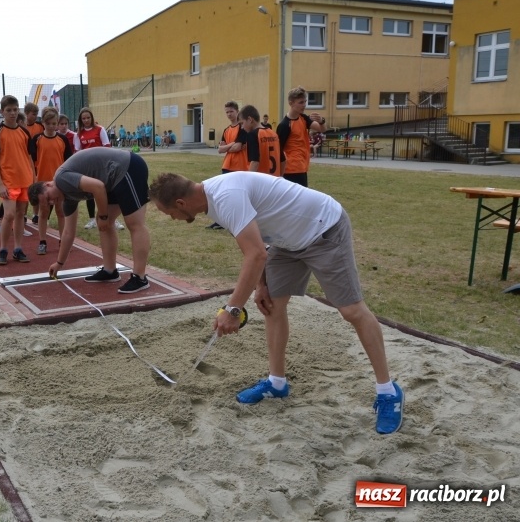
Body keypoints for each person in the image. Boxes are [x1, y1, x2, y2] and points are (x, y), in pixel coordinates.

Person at [148, 171, 404, 435]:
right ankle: (277, 383)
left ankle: (388, 392)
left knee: (351, 310)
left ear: (181, 203)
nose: (173, 219)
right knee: (271, 304)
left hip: (324, 230)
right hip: (286, 242)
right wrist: (261, 285)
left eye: (169, 213)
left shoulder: (226, 197)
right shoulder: (214, 201)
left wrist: (232, 310)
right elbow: (255, 244)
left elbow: (256, 255)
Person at [28, 147, 151, 294]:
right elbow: (68, 233)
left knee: (134, 223)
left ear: (48, 184)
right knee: (103, 224)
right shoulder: (67, 199)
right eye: (49, 203)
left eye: (49, 197)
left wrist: (104, 216)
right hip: (112, 180)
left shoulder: (62, 179)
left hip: (128, 167)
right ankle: (110, 271)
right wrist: (59, 263)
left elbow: (98, 187)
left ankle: (140, 277)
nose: (52, 202)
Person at [0, 95, 35, 265]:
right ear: (2, 112)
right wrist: (0, 183)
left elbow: (29, 157)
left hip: (25, 180)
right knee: (8, 215)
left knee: (21, 215)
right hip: (8, 181)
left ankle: (18, 249)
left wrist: (34, 178)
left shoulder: (24, 132)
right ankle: (3, 249)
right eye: (9, 110)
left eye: (15, 110)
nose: (13, 113)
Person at [29, 106, 72, 255]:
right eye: (48, 123)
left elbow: (68, 161)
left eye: (54, 123)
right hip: (42, 182)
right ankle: (42, 241)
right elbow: (32, 160)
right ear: (43, 123)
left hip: (58, 182)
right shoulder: (37, 139)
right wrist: (34, 178)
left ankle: (62, 240)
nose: (52, 126)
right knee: (43, 212)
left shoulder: (62, 139)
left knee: (60, 211)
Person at [208, 100, 247, 230]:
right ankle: (221, 221)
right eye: (227, 112)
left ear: (237, 112)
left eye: (231, 111)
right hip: (227, 165)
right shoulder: (226, 130)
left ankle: (237, 221)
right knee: (223, 194)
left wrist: (228, 147)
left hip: (240, 166)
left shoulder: (242, 127)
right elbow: (220, 149)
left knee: (238, 196)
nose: (229, 114)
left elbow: (238, 147)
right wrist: (232, 144)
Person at [276, 86, 327, 187]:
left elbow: (322, 129)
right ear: (291, 103)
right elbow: (278, 150)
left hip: (302, 166)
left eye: (305, 102)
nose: (304, 105)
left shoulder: (303, 118)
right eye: (300, 102)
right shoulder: (284, 125)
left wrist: (321, 121)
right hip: (291, 169)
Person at [73, 107, 112, 230]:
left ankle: (111, 217)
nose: (86, 120)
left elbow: (107, 146)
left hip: (101, 166)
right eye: (83, 118)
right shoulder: (78, 134)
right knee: (90, 193)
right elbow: (77, 152)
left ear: (92, 118)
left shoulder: (100, 129)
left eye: (88, 118)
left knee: (106, 191)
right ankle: (91, 219)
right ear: (80, 120)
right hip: (87, 168)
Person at [235, 104, 284, 176]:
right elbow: (283, 160)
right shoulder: (273, 133)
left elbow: (254, 162)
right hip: (274, 179)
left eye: (242, 123)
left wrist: (249, 180)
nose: (242, 127)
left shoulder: (252, 135)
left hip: (261, 180)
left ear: (250, 119)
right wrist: (280, 177)